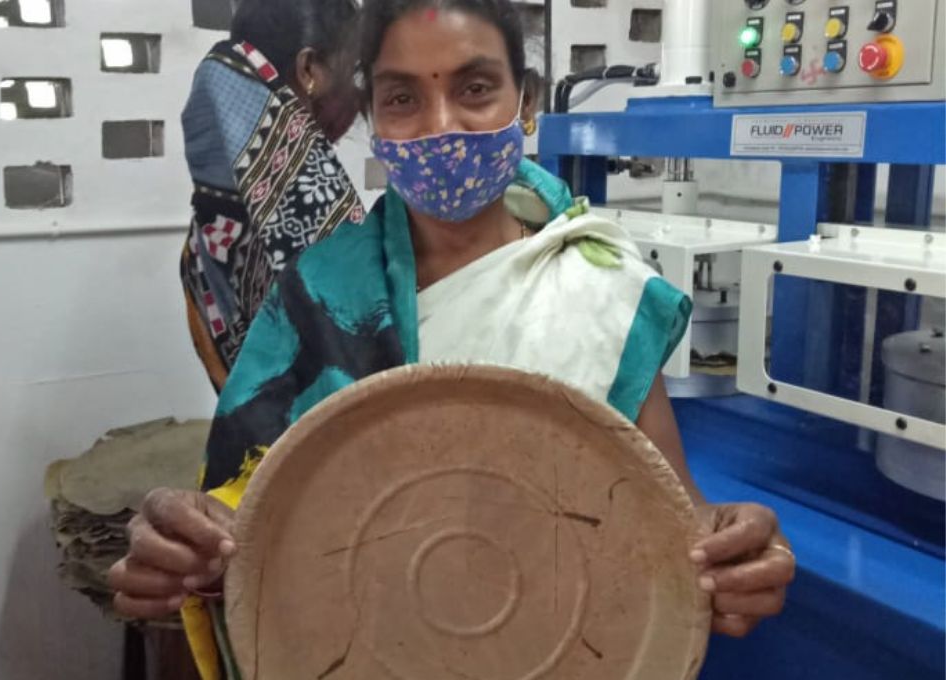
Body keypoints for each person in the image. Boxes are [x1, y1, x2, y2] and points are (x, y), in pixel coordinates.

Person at [110, 1, 796, 676]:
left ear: (525, 102)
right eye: (403, 97)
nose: (442, 128)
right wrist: (186, 547)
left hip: (553, 650)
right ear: (374, 122)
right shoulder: (319, 296)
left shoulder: (601, 289)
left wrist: (729, 550)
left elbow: (671, 519)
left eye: (474, 88)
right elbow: (249, 534)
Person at [180, 0, 366, 393]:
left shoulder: (201, 250)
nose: (359, 94)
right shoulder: (324, 225)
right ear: (309, 70)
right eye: (353, 71)